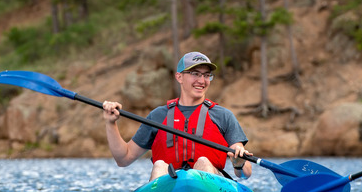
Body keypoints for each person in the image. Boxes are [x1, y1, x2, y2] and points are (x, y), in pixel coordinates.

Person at [101, 51, 253, 181]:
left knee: (204, 162)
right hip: (170, 188)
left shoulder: (222, 116)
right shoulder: (158, 116)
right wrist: (110, 123)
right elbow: (123, 158)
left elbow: (245, 173)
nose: (202, 81)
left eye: (207, 75)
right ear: (179, 77)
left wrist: (239, 163)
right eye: (195, 74)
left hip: (212, 189)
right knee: (159, 165)